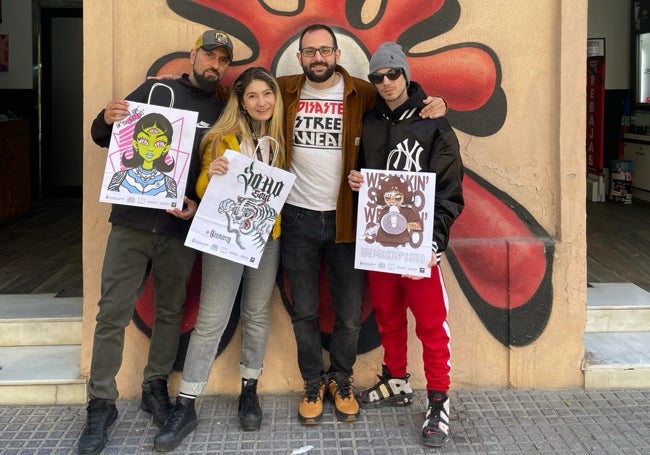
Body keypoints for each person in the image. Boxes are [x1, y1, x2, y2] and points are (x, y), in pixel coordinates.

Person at [275, 24, 448, 425]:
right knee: (304, 310)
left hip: (348, 220)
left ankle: (342, 378)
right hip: (297, 217)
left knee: (350, 313)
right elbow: (239, 94)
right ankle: (313, 382)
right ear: (299, 58)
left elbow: (404, 102)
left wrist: (436, 104)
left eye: (325, 50)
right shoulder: (281, 90)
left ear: (337, 55)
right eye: (310, 51)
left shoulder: (361, 92)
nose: (318, 57)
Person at [78, 29, 233, 455]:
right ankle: (100, 403)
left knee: (170, 311)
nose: (214, 65)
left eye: (222, 60)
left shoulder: (224, 110)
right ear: (194, 55)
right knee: (112, 313)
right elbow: (104, 136)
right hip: (130, 222)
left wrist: (197, 204)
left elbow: (221, 174)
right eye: (209, 56)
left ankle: (154, 386)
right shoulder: (156, 89)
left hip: (179, 230)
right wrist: (105, 118)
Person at [153, 67, 286, 452]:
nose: (261, 102)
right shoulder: (221, 138)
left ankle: (249, 389)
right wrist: (210, 174)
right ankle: (187, 403)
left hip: (267, 239)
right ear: (240, 101)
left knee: (257, 314)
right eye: (252, 96)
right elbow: (200, 188)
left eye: (268, 94)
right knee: (211, 319)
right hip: (225, 240)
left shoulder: (279, 138)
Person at [348, 42, 464, 448]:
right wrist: (358, 183)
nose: (385, 83)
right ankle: (396, 379)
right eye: (377, 77)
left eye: (392, 74)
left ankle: (438, 400)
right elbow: (366, 178)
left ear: (405, 74)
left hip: (418, 244)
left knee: (431, 323)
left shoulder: (434, 122)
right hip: (380, 243)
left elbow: (449, 189)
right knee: (388, 315)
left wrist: (435, 239)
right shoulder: (371, 122)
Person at [108, 113, 178, 198]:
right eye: (144, 141)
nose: (150, 148)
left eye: (159, 143)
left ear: (166, 148)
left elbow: (173, 205)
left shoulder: (169, 183)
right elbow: (110, 196)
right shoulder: (120, 177)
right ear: (135, 144)